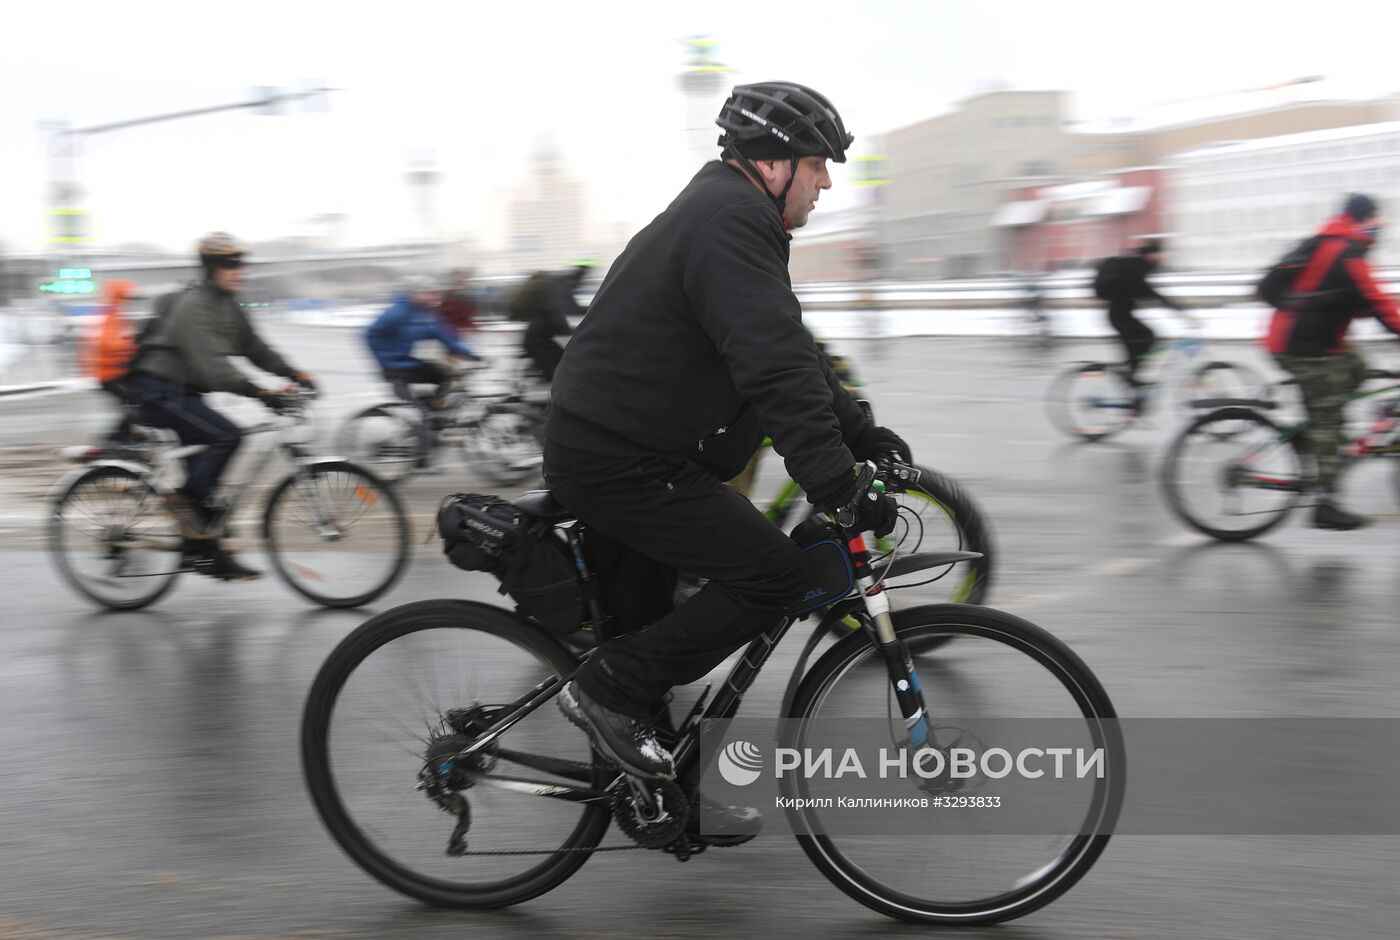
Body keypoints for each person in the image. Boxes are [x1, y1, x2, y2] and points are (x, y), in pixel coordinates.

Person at [544, 81, 908, 838]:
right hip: (622, 461)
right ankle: (605, 689)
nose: (827, 182)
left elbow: (791, 353)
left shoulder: (726, 215)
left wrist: (862, 434)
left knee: (647, 633)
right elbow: (772, 370)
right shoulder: (731, 221)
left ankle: (655, 799)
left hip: (630, 448)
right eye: (817, 164)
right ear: (773, 164)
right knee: (773, 574)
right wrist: (836, 484)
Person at [127, 233, 314, 580]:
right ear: (211, 269)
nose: (238, 270)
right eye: (230, 264)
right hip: (158, 391)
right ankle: (183, 503)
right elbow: (213, 366)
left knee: (209, 485)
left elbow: (255, 348)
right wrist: (261, 393)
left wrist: (293, 373)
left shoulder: (228, 304)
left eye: (240, 263)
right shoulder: (193, 305)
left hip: (184, 394)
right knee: (227, 436)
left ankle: (205, 553)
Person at [1263, 193, 1400, 529]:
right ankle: (1324, 505)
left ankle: (1317, 428)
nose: (1378, 226)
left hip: (1316, 342)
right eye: (1373, 219)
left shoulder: (1334, 242)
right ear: (1360, 219)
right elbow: (1378, 303)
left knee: (1359, 366)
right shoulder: (1347, 251)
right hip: (1302, 346)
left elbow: (1361, 302)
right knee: (1330, 418)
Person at [365, 275, 479, 470]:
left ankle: (433, 410)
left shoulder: (424, 313)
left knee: (445, 374)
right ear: (415, 293)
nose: (434, 296)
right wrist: (387, 360)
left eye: (434, 293)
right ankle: (421, 458)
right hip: (395, 370)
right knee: (422, 416)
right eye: (429, 293)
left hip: (408, 364)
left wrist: (471, 355)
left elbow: (444, 335)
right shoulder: (396, 313)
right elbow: (370, 335)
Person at [1096, 240, 1194, 406]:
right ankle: (1131, 383)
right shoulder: (1138, 267)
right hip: (1120, 317)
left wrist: (1173, 307)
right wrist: (1177, 309)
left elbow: (1144, 291)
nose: (1161, 257)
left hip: (1121, 315)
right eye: (1158, 253)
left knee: (1141, 344)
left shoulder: (1136, 266)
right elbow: (1148, 291)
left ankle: (1132, 382)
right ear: (1150, 254)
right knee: (1146, 338)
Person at [80, 278, 139, 446]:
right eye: (127, 297)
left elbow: (124, 339)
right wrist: (131, 349)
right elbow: (110, 343)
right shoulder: (109, 316)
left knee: (133, 401)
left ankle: (128, 434)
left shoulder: (115, 315)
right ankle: (115, 438)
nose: (130, 301)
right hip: (109, 373)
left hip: (115, 371)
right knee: (135, 400)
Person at [513, 264, 585, 382]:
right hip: (539, 341)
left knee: (560, 364)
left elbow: (570, 309)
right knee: (560, 369)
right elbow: (557, 313)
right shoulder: (561, 285)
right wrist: (570, 336)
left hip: (537, 338)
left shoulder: (558, 285)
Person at [439, 268, 479, 336]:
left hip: (465, 326)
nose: (457, 280)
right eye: (455, 278)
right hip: (451, 327)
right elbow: (442, 312)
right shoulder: (446, 293)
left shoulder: (468, 293)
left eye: (460, 278)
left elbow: (472, 310)